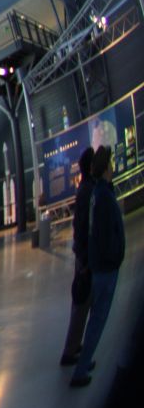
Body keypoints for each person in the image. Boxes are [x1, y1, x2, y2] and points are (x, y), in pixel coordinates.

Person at [71, 146, 125, 388]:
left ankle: (83, 362)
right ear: (105, 168)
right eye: (110, 165)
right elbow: (103, 235)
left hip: (100, 265)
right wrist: (113, 258)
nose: (112, 168)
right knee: (97, 320)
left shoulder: (98, 193)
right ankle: (80, 370)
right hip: (105, 268)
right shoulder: (101, 196)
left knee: (95, 319)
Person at [60, 147, 95, 367]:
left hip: (83, 255)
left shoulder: (85, 189)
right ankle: (70, 352)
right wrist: (84, 261)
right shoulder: (87, 191)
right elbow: (83, 227)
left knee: (81, 305)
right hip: (85, 258)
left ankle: (74, 346)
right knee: (82, 306)